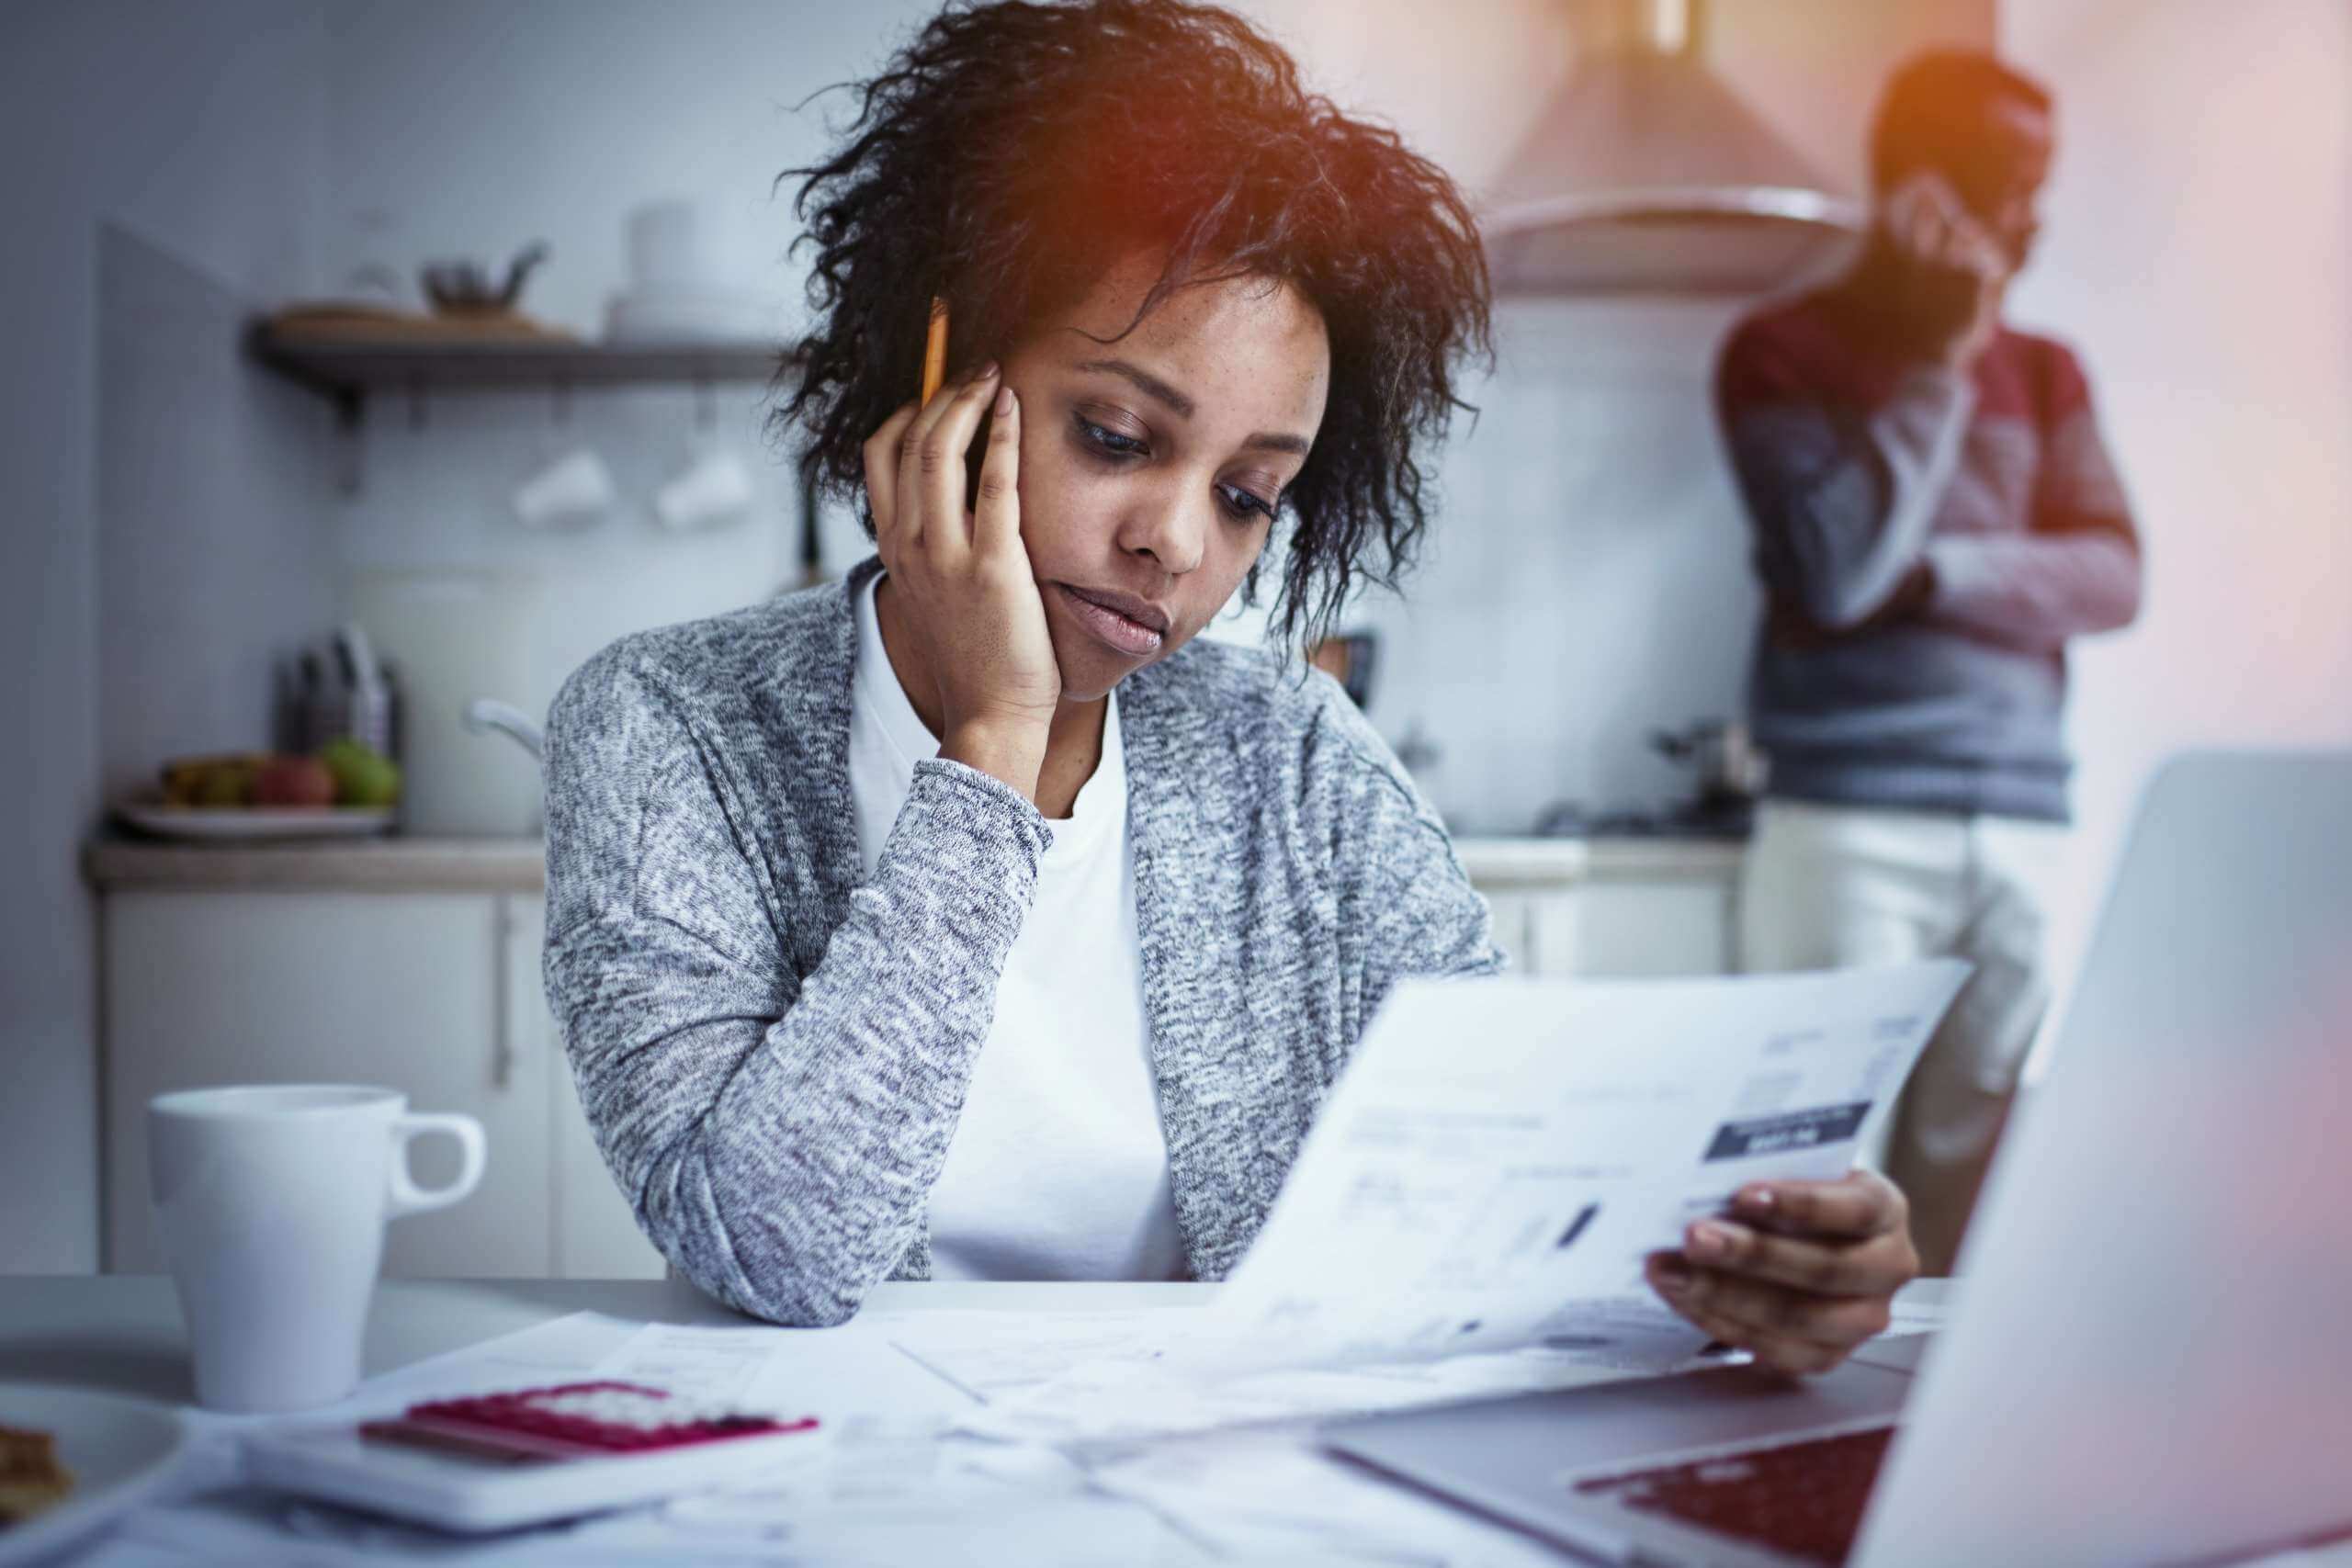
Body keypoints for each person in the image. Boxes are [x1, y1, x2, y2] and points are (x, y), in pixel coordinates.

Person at [543, 0, 1919, 1372]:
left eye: (1251, 493)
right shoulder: (667, 726)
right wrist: (995, 743)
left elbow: (1513, 1148)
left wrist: (1757, 1238)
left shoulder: (1292, 750)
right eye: (1117, 434)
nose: (1179, 544)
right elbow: (771, 1252)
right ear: (939, 373)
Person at [1716, 51, 2143, 1274]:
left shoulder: (2053, 372)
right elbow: (1842, 569)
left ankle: (1933, 1457)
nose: (2032, 217)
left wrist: (1939, 573)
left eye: (2041, 182)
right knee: (1811, 1186)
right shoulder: (1779, 352)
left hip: (2023, 823)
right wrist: (1940, 364)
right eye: (2010, 181)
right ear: (1918, 185)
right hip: (1846, 823)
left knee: (1983, 1204)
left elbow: (2115, 575)